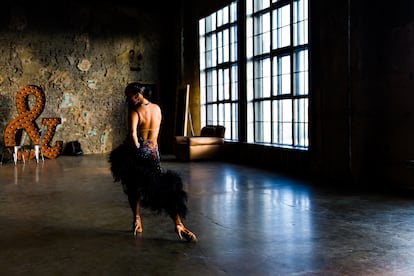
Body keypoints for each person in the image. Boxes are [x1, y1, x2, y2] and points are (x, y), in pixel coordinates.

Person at [109, 82, 197, 242]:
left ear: (137, 95)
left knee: (133, 186)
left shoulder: (135, 113)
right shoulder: (157, 109)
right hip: (154, 153)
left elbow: (133, 136)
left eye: (128, 96)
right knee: (160, 186)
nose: (127, 100)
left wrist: (135, 149)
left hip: (140, 154)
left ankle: (137, 219)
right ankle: (178, 223)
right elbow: (155, 131)